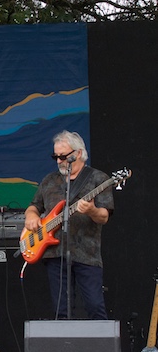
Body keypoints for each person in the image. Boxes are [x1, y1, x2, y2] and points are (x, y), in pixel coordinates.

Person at [24, 130, 113, 320]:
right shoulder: (49, 180)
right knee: (60, 310)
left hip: (86, 253)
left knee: (95, 305)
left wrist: (91, 210)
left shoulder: (98, 179)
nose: (58, 161)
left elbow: (104, 216)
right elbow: (34, 205)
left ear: (78, 153)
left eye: (63, 156)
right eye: (55, 156)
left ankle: (99, 349)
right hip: (55, 254)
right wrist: (31, 215)